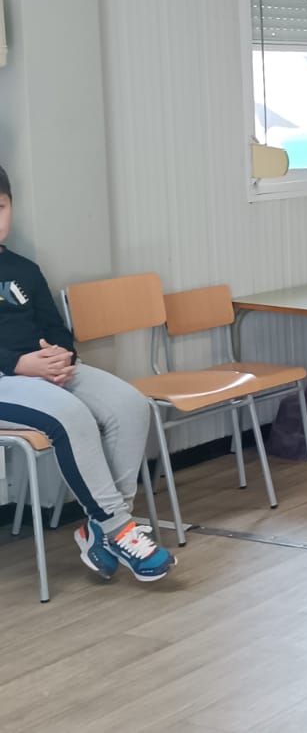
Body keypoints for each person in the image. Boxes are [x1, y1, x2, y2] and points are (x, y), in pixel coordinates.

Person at [0, 165, 174, 583]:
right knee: (70, 415)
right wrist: (19, 365)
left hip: (46, 370)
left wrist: (62, 357)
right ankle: (119, 528)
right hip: (9, 378)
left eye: (0, 207)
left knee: (131, 404)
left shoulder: (24, 269)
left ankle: (103, 528)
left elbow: (56, 328)